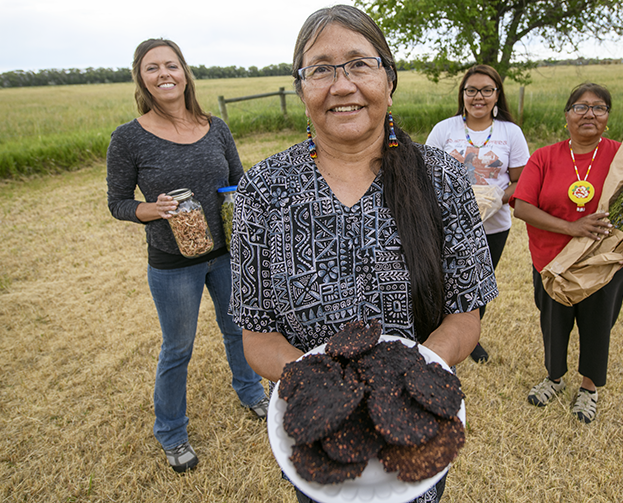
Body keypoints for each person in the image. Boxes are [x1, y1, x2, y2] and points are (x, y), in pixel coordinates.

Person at [229, 5, 497, 502]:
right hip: (317, 431)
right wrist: (332, 400)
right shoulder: (262, 192)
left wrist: (403, 390)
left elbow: (465, 316)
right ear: (301, 87)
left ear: (388, 79)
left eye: (359, 64)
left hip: (413, 423)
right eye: (321, 69)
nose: (342, 84)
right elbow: (258, 337)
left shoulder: (443, 180)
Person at [106, 38, 268, 473]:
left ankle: (252, 394)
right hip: (173, 262)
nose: (164, 74)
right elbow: (117, 202)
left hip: (227, 254)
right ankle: (173, 433)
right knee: (178, 348)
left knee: (239, 330)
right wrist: (149, 210)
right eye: (152, 67)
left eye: (171, 65)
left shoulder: (214, 127)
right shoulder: (128, 138)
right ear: (141, 78)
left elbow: (238, 180)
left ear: (184, 72)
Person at [512, 82, 623, 424]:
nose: (590, 114)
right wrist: (572, 227)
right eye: (581, 107)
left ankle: (588, 388)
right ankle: (554, 378)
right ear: (567, 115)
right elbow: (523, 207)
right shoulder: (545, 156)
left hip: (604, 264)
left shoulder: (622, 156)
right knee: (553, 323)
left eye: (599, 107)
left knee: (598, 325)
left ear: (607, 117)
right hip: (552, 261)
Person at [426, 65, 530, 363]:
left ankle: (472, 338)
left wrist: (497, 198)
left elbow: (521, 180)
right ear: (463, 95)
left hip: (493, 226)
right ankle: (438, 334)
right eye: (471, 90)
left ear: (497, 95)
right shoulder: (445, 129)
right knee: (442, 280)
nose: (478, 97)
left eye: (486, 90)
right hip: (446, 225)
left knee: (478, 284)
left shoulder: (511, 132)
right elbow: (426, 175)